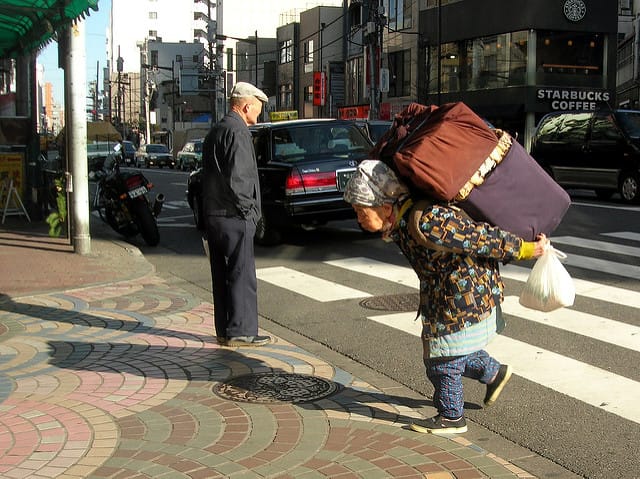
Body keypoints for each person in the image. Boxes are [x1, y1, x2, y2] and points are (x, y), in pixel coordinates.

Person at [343, 159, 549, 435]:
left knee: (440, 358)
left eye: (360, 210)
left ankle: (452, 416)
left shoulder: (426, 220)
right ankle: (494, 373)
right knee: (453, 349)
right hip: (445, 294)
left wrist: (524, 249)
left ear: (384, 205)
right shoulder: (402, 221)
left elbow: (478, 238)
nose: (358, 217)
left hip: (463, 294)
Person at [202, 82, 271, 347]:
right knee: (242, 275)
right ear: (246, 106)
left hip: (214, 214)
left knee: (221, 275)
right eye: (258, 108)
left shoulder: (216, 131)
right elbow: (240, 179)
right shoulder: (238, 132)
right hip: (234, 216)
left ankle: (225, 330)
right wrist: (250, 214)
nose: (259, 114)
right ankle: (241, 331)